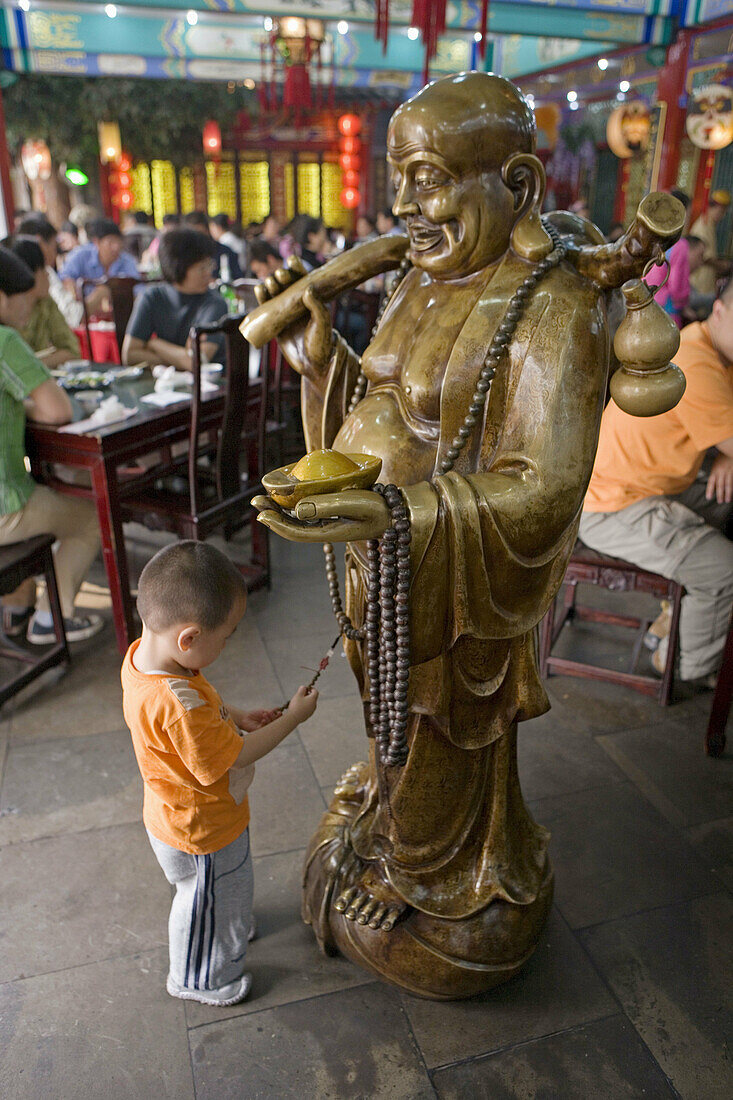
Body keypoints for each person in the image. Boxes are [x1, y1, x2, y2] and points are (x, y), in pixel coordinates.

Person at [250, 72, 678, 997]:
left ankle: (439, 883)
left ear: (516, 186)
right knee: (391, 719)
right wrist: (319, 353)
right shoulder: (419, 275)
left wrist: (400, 514)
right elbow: (384, 404)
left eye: (430, 178)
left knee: (442, 731)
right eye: (397, 177)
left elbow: (545, 483)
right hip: (386, 566)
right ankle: (394, 829)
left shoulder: (547, 301)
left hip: (450, 576)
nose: (404, 204)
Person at [122, 540, 318, 1006]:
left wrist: (236, 714)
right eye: (227, 635)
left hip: (185, 816)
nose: (228, 643)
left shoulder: (146, 659)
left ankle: (227, 921)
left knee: (225, 889)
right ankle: (198, 978)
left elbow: (200, 704)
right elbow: (239, 756)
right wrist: (293, 717)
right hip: (201, 830)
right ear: (188, 638)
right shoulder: (177, 707)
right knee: (199, 900)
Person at [580, 276, 733, 685]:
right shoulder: (698, 362)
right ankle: (686, 665)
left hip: (651, 483)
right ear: (719, 311)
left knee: (724, 503)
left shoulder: (709, 344)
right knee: (723, 570)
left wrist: (722, 453)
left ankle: (673, 614)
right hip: (612, 504)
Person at [0, 246, 102, 643]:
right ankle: (50, 618)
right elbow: (58, 411)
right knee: (91, 517)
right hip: (6, 509)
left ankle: (17, 607)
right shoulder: (6, 340)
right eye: (25, 299)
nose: (30, 308)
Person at [122, 227, 227, 371]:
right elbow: (130, 355)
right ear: (178, 269)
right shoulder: (151, 297)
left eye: (209, 265)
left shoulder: (215, 303)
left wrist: (155, 344)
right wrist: (179, 359)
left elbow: (197, 362)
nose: (209, 273)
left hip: (208, 387)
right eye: (201, 269)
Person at [10, 237, 81, 367]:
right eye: (43, 268)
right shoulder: (6, 312)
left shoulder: (45, 303)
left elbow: (72, 350)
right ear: (26, 274)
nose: (48, 275)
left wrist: (31, 368)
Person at [59, 217, 139, 316]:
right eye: (110, 242)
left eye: (118, 241)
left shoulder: (128, 261)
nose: (116, 247)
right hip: (85, 318)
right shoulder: (80, 256)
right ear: (97, 242)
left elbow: (138, 291)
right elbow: (65, 279)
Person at [18, 213, 84, 328]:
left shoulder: (16, 271)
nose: (55, 254)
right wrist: (94, 300)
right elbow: (71, 316)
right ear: (40, 243)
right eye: (54, 247)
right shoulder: (42, 272)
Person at [645, 234, 706, 327]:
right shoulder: (681, 247)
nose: (700, 263)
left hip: (648, 302)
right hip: (665, 310)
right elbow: (676, 285)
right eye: (699, 255)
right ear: (690, 249)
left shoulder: (669, 242)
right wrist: (683, 305)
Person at [690, 189, 731, 300]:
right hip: (699, 284)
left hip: (705, 284)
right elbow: (705, 257)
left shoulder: (710, 225)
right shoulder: (704, 225)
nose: (722, 216)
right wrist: (724, 266)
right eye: (722, 211)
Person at [182, 211, 242, 281]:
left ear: (208, 231)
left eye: (200, 234)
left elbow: (237, 279)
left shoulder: (224, 251)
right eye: (192, 236)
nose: (197, 240)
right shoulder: (182, 255)